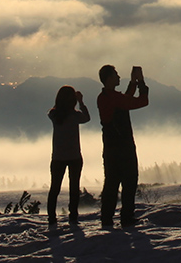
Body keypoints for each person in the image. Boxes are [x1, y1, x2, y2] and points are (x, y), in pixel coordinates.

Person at [96, 64, 149, 229]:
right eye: (116, 75)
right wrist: (140, 82)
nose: (119, 77)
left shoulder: (104, 97)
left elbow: (125, 100)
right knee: (129, 181)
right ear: (110, 78)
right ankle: (127, 218)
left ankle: (107, 218)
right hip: (123, 146)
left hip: (110, 146)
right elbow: (141, 101)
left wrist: (133, 82)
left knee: (111, 182)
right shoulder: (114, 98)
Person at [47, 85, 90, 227]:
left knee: (55, 188)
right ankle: (73, 217)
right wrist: (81, 102)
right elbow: (87, 118)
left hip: (58, 157)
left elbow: (53, 111)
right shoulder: (75, 116)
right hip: (74, 157)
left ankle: (52, 218)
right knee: (74, 187)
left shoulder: (54, 115)